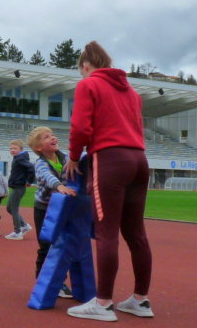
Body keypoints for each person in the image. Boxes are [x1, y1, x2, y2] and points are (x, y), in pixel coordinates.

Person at [65, 41, 153, 321]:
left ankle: (102, 304)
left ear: (86, 66)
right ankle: (140, 300)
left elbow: (80, 127)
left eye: (81, 71)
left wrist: (74, 157)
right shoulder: (133, 93)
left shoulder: (88, 85)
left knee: (106, 232)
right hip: (139, 160)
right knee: (136, 233)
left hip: (110, 159)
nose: (81, 75)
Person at [28, 126, 76, 298]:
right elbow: (48, 177)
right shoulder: (40, 163)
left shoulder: (65, 157)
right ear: (38, 148)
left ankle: (60, 282)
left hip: (62, 208)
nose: (53, 138)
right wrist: (60, 186)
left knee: (63, 245)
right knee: (46, 245)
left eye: (53, 135)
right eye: (47, 137)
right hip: (44, 209)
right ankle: (41, 281)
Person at [5, 139, 35, 240]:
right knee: (9, 208)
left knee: (14, 209)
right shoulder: (18, 158)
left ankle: (17, 232)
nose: (12, 150)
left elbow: (31, 168)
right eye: (11, 149)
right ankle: (25, 225)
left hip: (19, 187)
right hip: (16, 186)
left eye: (15, 148)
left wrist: (30, 181)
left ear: (21, 149)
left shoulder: (19, 159)